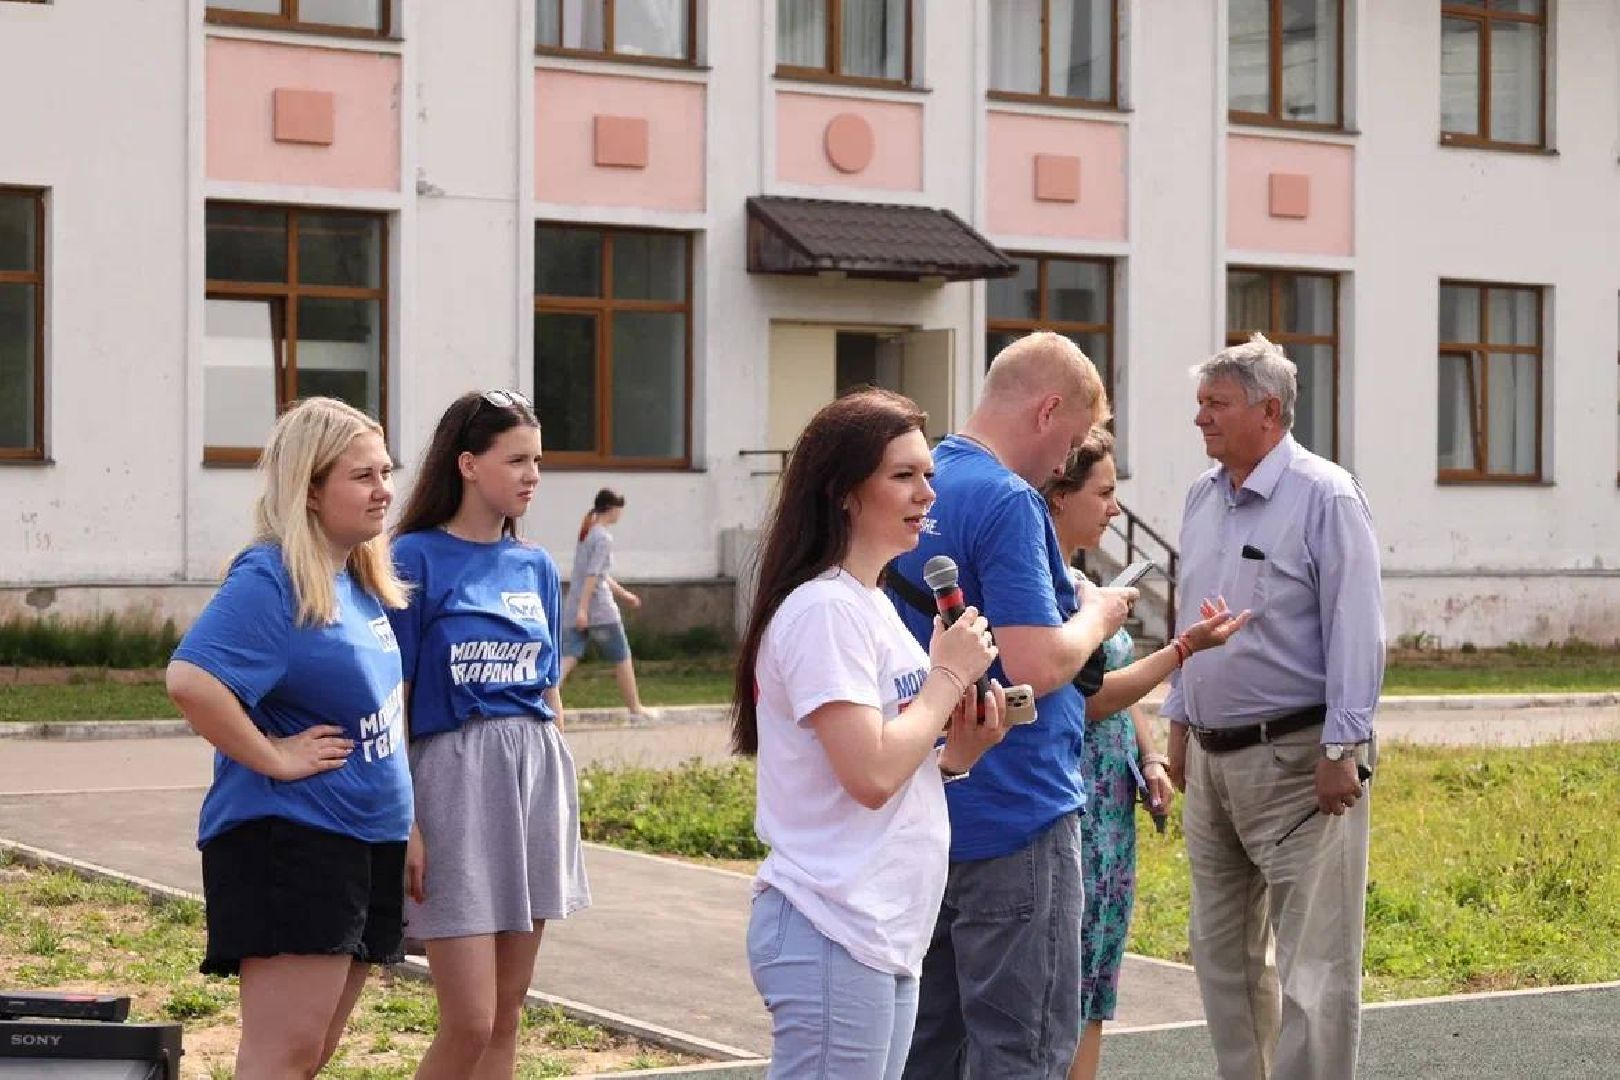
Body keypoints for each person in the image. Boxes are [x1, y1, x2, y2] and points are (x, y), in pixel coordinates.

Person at [732, 387, 1012, 1080]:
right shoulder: (824, 610)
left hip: (881, 929)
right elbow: (870, 774)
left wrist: (956, 757)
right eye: (903, 476)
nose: (926, 495)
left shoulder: (872, 604)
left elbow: (889, 766)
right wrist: (947, 679)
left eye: (928, 476)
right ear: (844, 491)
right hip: (832, 924)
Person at [888, 332, 1137, 1079]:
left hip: (931, 803)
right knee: (1022, 1050)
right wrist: (1098, 614)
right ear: (1047, 409)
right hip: (1017, 811)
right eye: (1067, 442)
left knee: (928, 1048)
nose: (1063, 466)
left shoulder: (919, 482)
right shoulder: (1008, 498)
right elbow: (1035, 661)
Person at [165, 397, 412, 1080]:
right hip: (293, 842)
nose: (384, 489)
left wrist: (409, 828)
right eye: (363, 476)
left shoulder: (356, 578)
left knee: (311, 1055)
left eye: (386, 471)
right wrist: (273, 755)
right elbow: (190, 679)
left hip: (366, 842)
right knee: (282, 1056)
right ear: (309, 488)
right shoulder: (272, 576)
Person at [1162, 334, 1384, 1080]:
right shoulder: (1201, 496)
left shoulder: (1326, 496)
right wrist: (1179, 726)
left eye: (1216, 405)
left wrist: (1340, 750)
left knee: (1313, 968)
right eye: (1200, 404)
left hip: (1299, 763)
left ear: (1269, 410)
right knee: (1221, 956)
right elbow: (1187, 617)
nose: (1201, 420)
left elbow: (1357, 628)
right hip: (1214, 765)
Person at [388, 389, 591, 1080]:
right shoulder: (413, 558)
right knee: (469, 1019)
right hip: (452, 784)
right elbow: (397, 698)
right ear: (469, 464)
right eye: (517, 460)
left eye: (538, 460)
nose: (533, 475)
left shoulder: (532, 564)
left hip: (532, 779)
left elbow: (548, 688)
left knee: (507, 1014)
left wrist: (562, 784)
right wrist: (407, 821)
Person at [1039, 427, 1249, 1080]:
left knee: (1096, 979)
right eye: (1103, 492)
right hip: (1071, 806)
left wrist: (1151, 758)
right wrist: (1183, 650)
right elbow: (1092, 696)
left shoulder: (1081, 583)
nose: (1114, 509)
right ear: (1058, 494)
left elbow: (1120, 689)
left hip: (1110, 807)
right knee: (1061, 981)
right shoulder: (1046, 592)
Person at [559, 488, 647, 716]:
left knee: (568, 657)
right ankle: (635, 707)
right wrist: (583, 611)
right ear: (612, 509)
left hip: (576, 606)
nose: (620, 515)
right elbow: (592, 575)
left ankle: (545, 702)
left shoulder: (587, 533)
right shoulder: (603, 538)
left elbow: (599, 574)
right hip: (599, 611)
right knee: (622, 656)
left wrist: (624, 594)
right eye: (620, 510)